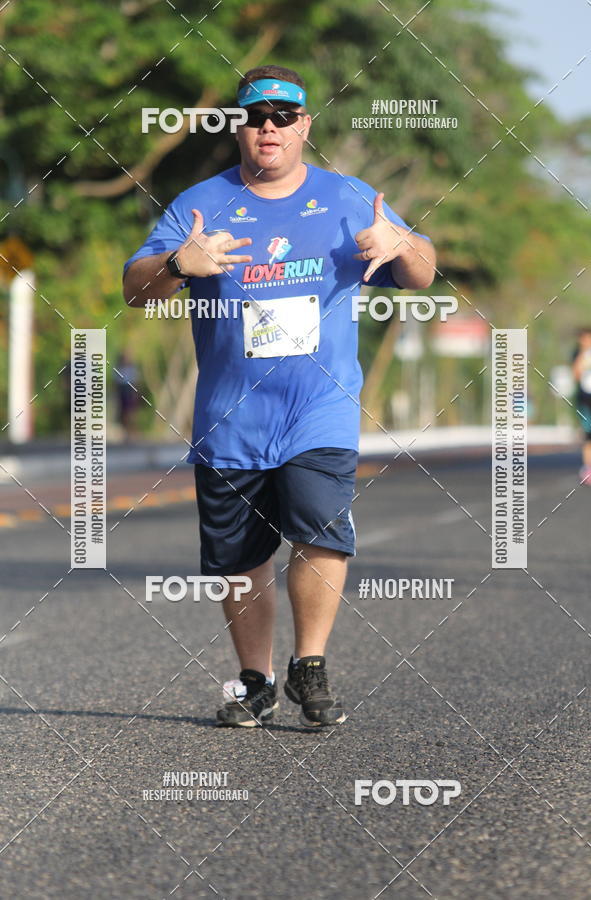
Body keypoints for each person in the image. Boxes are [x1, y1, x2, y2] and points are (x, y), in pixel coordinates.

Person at [123, 65, 436, 728]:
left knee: (322, 530)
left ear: (304, 126)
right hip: (230, 419)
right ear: (237, 125)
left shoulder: (349, 197)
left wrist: (400, 242)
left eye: (282, 116)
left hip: (319, 411)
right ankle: (256, 679)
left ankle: (310, 664)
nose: (269, 127)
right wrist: (181, 263)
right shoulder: (201, 204)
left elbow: (423, 272)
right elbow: (135, 286)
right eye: (256, 116)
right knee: (239, 561)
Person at [571, 327, 591, 485]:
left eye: (590, 338)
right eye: (584, 339)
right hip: (586, 399)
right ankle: (590, 467)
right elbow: (575, 374)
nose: (587, 342)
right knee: (589, 434)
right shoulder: (577, 354)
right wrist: (582, 357)